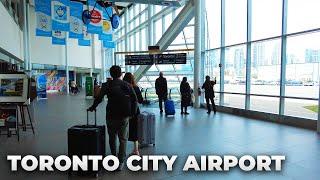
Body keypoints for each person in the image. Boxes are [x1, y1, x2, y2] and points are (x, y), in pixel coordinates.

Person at [88, 66, 137, 171]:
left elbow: (99, 98)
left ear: (111, 74)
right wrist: (132, 113)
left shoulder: (107, 85)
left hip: (111, 115)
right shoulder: (127, 85)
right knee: (123, 139)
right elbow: (135, 99)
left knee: (112, 138)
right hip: (124, 116)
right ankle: (121, 161)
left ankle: (113, 157)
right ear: (120, 74)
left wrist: (93, 107)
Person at [123, 72, 143, 156]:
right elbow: (140, 100)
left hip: (124, 111)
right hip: (134, 111)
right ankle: (136, 150)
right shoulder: (135, 88)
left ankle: (122, 151)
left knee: (123, 131)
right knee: (135, 129)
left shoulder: (122, 87)